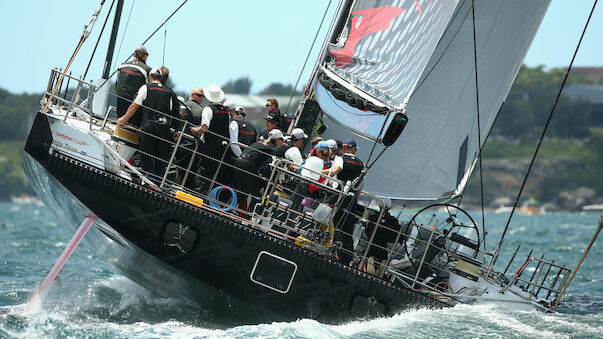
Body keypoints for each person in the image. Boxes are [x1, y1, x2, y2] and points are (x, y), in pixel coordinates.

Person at [117, 68, 176, 182]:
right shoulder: (169, 92)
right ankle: (157, 183)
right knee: (161, 158)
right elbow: (174, 112)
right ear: (161, 78)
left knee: (146, 155)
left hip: (149, 127)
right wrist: (176, 130)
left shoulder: (146, 87)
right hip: (164, 129)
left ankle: (148, 181)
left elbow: (135, 106)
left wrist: (123, 119)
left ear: (150, 77)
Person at [232, 129, 284, 211]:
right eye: (282, 140)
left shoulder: (259, 143)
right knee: (258, 194)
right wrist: (263, 184)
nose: (283, 142)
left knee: (242, 191)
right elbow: (268, 168)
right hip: (248, 166)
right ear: (277, 139)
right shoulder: (273, 150)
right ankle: (248, 217)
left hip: (239, 162)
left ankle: (232, 210)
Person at [191, 84, 230, 190]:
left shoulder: (208, 109)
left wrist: (196, 131)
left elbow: (204, 128)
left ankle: (199, 197)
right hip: (222, 148)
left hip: (210, 146)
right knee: (216, 176)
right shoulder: (226, 111)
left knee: (203, 172)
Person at [115, 46, 151, 128]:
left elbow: (117, 81)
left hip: (120, 97)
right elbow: (148, 88)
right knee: (133, 125)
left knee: (120, 120)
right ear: (145, 55)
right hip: (134, 102)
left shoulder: (122, 65)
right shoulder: (147, 69)